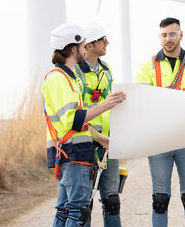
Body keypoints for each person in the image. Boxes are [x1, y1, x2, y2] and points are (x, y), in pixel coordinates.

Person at [42, 22, 126, 227]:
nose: (107, 42)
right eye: (83, 45)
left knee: (67, 210)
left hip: (81, 147)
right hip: (73, 150)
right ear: (75, 49)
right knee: (78, 211)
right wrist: (105, 106)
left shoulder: (70, 77)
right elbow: (72, 119)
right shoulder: (60, 79)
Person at [135, 17, 185, 227]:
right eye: (164, 35)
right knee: (160, 200)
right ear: (159, 36)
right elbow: (141, 102)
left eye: (172, 34)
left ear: (181, 35)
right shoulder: (148, 66)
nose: (168, 39)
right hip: (160, 141)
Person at [74, 21, 122, 227]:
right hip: (87, 142)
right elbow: (74, 114)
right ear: (90, 46)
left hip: (109, 144)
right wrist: (99, 138)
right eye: (103, 40)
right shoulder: (75, 72)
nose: (108, 43)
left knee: (112, 201)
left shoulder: (106, 68)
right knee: (84, 206)